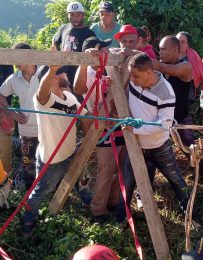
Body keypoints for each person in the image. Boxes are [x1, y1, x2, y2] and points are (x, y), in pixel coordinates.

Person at [121, 53, 202, 226]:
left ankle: (193, 217)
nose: (132, 80)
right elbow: (124, 54)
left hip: (159, 146)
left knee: (176, 181)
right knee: (127, 184)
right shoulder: (136, 76)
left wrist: (135, 128)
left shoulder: (166, 93)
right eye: (131, 75)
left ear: (149, 72)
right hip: (135, 144)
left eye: (135, 76)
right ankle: (121, 218)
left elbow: (162, 126)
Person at [21, 65, 89, 237]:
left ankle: (91, 204)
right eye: (63, 72)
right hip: (52, 159)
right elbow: (42, 93)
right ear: (54, 78)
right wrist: (51, 70)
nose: (67, 73)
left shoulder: (69, 97)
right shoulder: (44, 100)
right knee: (41, 191)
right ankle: (28, 220)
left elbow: (86, 115)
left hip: (71, 152)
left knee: (83, 182)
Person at [153, 36, 203, 186]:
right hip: (160, 119)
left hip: (180, 118)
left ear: (175, 50)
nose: (160, 52)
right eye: (159, 49)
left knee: (190, 148)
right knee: (153, 150)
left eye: (163, 49)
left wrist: (149, 62)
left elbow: (166, 68)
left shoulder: (185, 66)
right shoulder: (159, 68)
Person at [74, 36, 123, 224]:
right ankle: (98, 210)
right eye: (101, 49)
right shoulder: (86, 71)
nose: (106, 52)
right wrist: (85, 63)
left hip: (118, 121)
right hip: (101, 125)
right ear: (92, 51)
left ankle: (113, 201)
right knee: (105, 167)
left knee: (119, 166)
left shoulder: (110, 65)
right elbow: (79, 89)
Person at [0, 43, 41, 189]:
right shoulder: (14, 78)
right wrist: (12, 113)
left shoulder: (44, 72)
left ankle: (46, 190)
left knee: (49, 162)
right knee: (28, 165)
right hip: (27, 131)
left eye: (18, 58)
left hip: (47, 129)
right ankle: (30, 193)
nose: (15, 63)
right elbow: (1, 95)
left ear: (28, 56)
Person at [52, 1, 96, 92]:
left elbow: (92, 52)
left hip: (78, 74)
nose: (75, 18)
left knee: (78, 101)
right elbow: (55, 40)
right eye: (72, 15)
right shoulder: (64, 28)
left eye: (78, 15)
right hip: (62, 73)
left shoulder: (89, 33)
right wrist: (56, 56)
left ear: (83, 15)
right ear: (67, 15)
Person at [176, 31, 203, 103]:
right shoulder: (169, 53)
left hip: (186, 92)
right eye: (177, 41)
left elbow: (200, 73)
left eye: (182, 42)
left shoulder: (193, 56)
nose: (179, 44)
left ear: (187, 44)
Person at [0, 65, 15, 174]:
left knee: (4, 149)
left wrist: (7, 110)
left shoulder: (5, 62)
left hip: (3, 110)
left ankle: (5, 182)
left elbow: (7, 91)